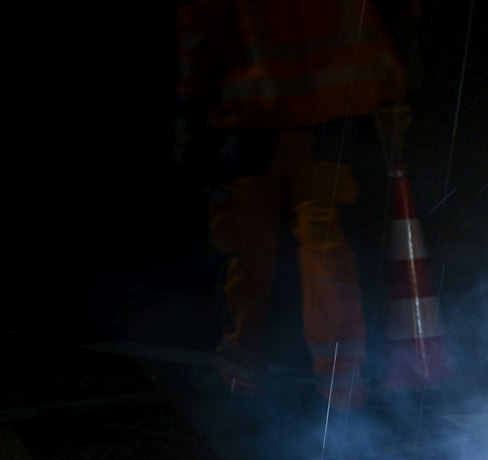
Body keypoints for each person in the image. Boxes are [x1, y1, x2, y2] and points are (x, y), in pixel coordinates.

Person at [175, 0, 413, 411]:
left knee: (251, 254)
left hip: (251, 117)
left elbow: (198, 34)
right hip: (330, 114)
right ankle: (342, 383)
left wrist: (190, 118)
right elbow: (372, 21)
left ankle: (241, 376)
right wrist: (392, 93)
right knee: (324, 249)